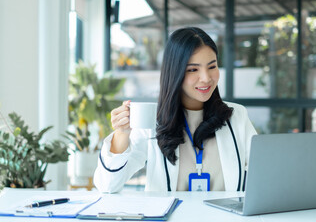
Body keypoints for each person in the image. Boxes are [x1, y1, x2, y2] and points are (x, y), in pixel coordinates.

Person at [94, 27, 257, 193]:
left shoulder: (236, 116)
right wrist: (122, 133)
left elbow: (262, 172)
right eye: (193, 69)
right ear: (175, 72)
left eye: (212, 66)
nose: (206, 78)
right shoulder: (152, 120)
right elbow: (107, 186)